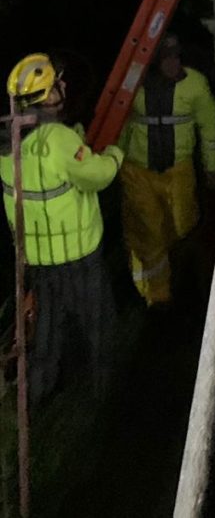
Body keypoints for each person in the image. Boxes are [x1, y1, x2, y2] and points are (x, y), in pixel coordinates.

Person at [0, 52, 123, 408]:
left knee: (48, 334)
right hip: (78, 257)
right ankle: (106, 395)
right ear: (45, 96)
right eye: (56, 83)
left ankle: (36, 398)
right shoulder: (59, 139)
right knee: (99, 326)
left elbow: (49, 165)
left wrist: (76, 142)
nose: (63, 86)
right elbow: (96, 175)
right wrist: (113, 154)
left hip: (40, 262)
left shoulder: (9, 141)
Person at [118, 32, 215, 307]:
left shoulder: (195, 85)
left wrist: (212, 169)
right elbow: (119, 124)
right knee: (147, 234)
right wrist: (112, 165)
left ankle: (186, 293)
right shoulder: (133, 85)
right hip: (138, 172)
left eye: (177, 56)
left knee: (182, 227)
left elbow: (209, 129)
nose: (173, 63)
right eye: (166, 58)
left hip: (179, 172)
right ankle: (156, 299)